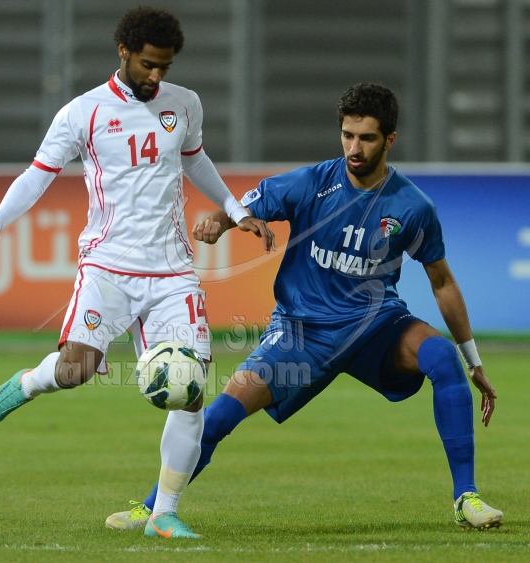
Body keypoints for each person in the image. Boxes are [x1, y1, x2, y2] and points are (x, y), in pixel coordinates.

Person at [111, 82, 504, 532]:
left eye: (367, 138)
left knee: (442, 357)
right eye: (347, 135)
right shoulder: (312, 184)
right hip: (301, 332)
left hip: (375, 327)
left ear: (390, 139)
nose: (354, 148)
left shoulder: (413, 207)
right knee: (218, 416)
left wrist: (474, 362)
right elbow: (242, 208)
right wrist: (218, 223)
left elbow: (442, 282)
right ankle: (151, 508)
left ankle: (466, 498)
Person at [0, 7, 273, 540]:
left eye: (165, 67)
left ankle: (164, 512)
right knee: (75, 370)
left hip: (172, 271)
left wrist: (237, 212)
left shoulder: (184, 103)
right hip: (108, 267)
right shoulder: (84, 112)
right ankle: (28, 383)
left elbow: (195, 160)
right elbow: (38, 174)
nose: (156, 76)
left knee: (191, 387)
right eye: (148, 64)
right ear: (123, 51)